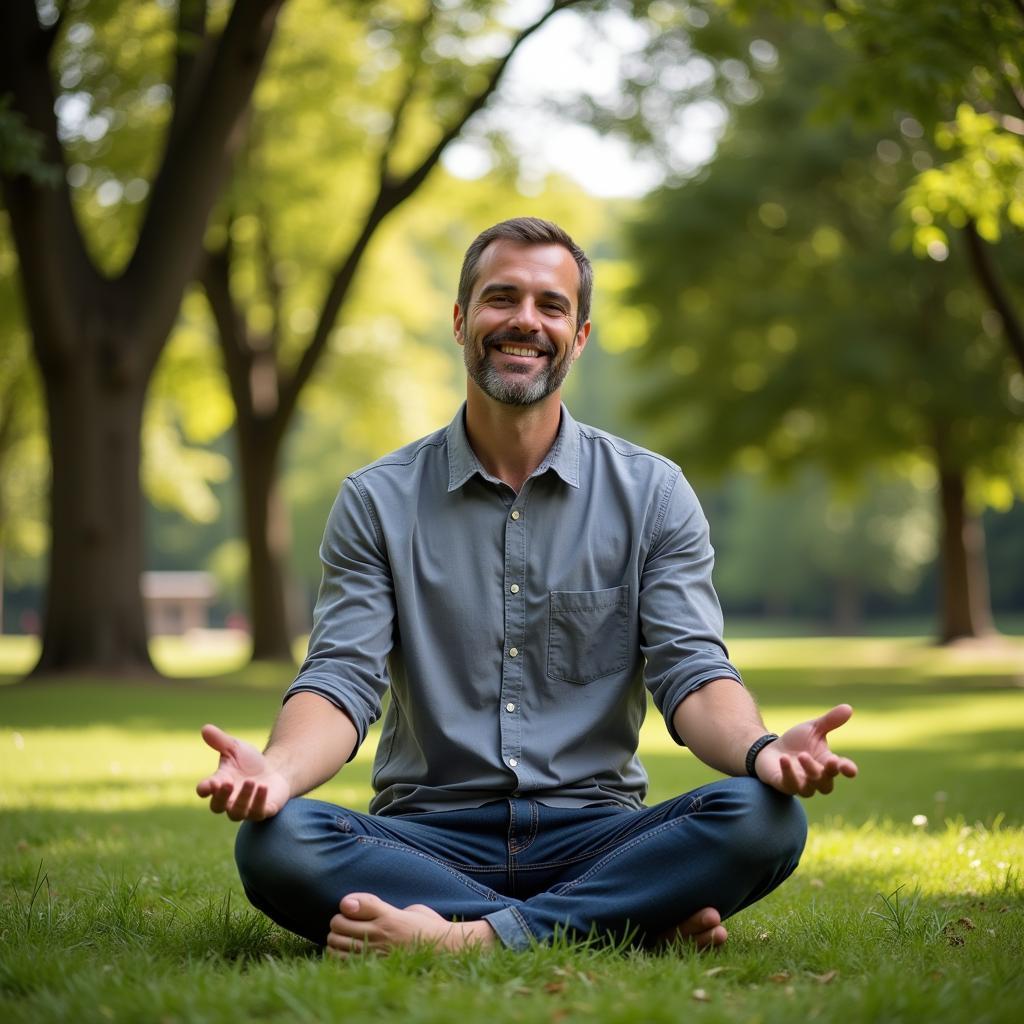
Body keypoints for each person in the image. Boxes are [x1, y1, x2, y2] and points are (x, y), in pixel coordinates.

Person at [196, 217, 858, 957]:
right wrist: (276, 772)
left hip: (599, 834)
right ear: (460, 320)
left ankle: (466, 938)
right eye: (501, 297)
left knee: (763, 818)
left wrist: (764, 750)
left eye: (551, 305)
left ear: (577, 337)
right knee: (277, 841)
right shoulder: (376, 499)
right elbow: (342, 678)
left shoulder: (654, 493)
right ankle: (619, 922)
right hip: (427, 839)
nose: (524, 321)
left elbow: (694, 672)